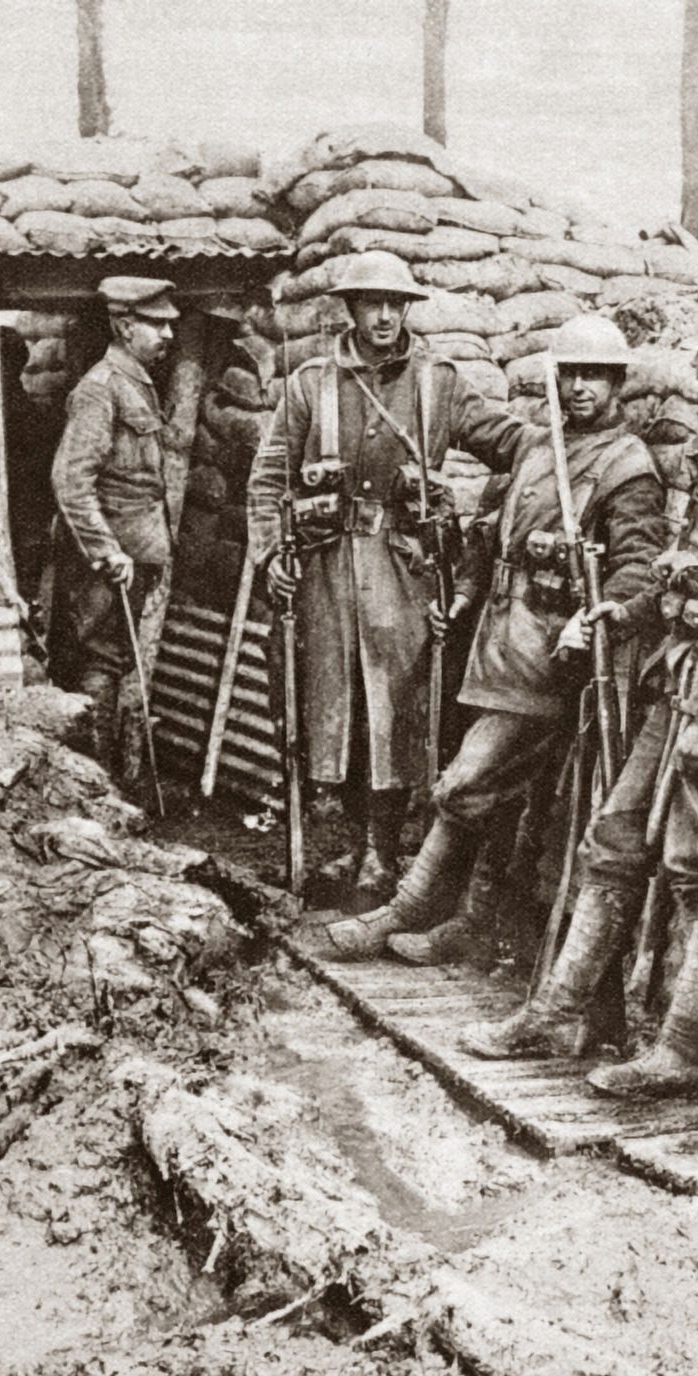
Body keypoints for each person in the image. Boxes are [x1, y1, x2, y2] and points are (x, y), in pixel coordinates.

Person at [455, 285, 698, 1072]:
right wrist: (626, 617)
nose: (693, 370)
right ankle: (557, 1015)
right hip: (681, 681)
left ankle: (686, 1049)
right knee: (616, 839)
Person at [316, 315, 665, 960]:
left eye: (596, 375)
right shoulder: (540, 448)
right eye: (570, 375)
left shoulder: (627, 466)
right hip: (496, 644)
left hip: (550, 656)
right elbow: (492, 531)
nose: (581, 388)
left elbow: (637, 563)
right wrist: (469, 593)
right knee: (504, 796)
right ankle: (475, 923)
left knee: (466, 782)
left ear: (618, 384)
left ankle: (405, 908)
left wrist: (606, 614)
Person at [246, 251, 524, 898]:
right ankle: (351, 846)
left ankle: (384, 850)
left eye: (396, 304)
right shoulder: (310, 384)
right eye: (372, 303)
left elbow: (508, 442)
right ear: (350, 309)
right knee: (334, 706)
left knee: (395, 709)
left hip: (404, 570)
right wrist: (272, 555)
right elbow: (267, 482)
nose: (385, 315)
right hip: (327, 570)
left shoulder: (438, 383)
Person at [47, 276, 178, 762]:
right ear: (125, 326)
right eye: (156, 324)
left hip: (133, 552)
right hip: (106, 562)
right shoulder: (99, 390)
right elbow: (71, 481)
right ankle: (95, 784)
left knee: (112, 659)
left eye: (170, 325)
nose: (167, 335)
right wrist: (106, 551)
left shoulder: (135, 385)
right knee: (97, 661)